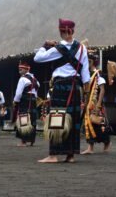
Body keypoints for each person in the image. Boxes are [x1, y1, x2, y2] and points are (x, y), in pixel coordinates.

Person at [34, 18, 90, 163]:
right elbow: (85, 73)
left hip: (60, 87)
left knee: (57, 119)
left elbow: (38, 58)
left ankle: (53, 155)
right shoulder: (82, 49)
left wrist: (45, 45)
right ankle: (70, 155)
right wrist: (86, 92)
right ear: (73, 31)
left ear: (61, 31)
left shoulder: (57, 49)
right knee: (73, 119)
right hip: (75, 87)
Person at [81, 54, 111, 154]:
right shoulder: (86, 74)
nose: (87, 63)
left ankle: (106, 144)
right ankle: (90, 147)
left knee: (100, 124)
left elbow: (102, 90)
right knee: (88, 124)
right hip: (88, 103)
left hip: (96, 103)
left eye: (88, 61)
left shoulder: (97, 74)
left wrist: (98, 104)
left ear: (93, 62)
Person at [13, 61, 40, 147]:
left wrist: (15, 101)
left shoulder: (22, 79)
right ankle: (31, 140)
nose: (19, 71)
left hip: (24, 100)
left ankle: (23, 141)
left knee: (24, 119)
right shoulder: (36, 80)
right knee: (32, 119)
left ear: (26, 69)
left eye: (21, 69)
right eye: (19, 69)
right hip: (33, 101)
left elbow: (18, 94)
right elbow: (36, 92)